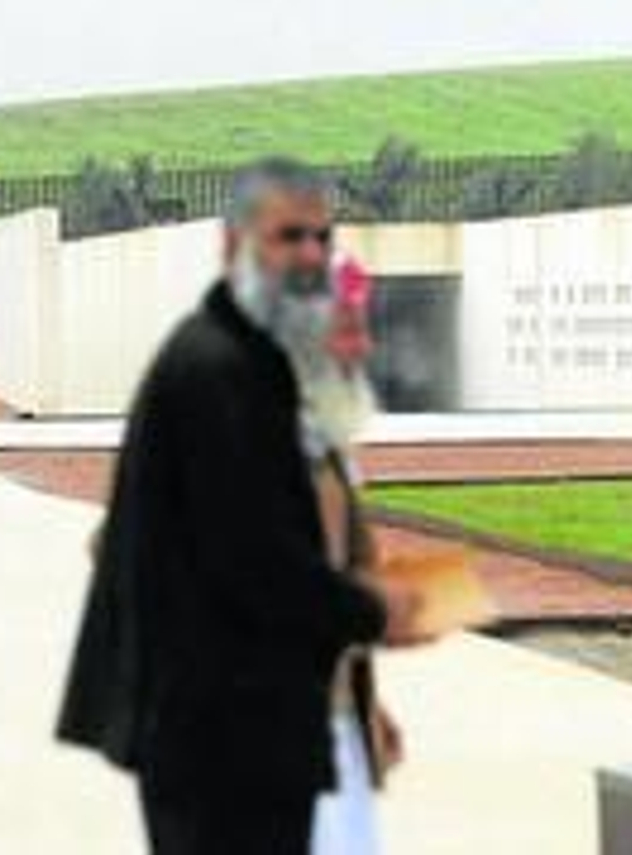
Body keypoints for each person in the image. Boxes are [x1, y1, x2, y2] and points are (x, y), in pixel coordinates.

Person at [55, 156, 423, 855]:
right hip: (219, 735)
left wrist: (364, 695)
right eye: (289, 237)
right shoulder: (214, 373)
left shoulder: (254, 377)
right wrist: (378, 610)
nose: (310, 255)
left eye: (322, 237)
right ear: (233, 245)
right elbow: (254, 561)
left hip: (264, 727)